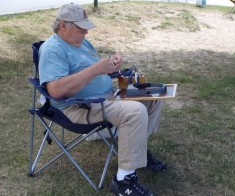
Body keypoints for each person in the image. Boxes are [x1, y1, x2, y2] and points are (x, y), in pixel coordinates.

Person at [38, 3, 166, 196]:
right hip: (79, 107)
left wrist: (110, 66)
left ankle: (136, 150)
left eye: (86, 28)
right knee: (135, 111)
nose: (86, 33)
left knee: (153, 97)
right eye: (81, 28)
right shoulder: (53, 50)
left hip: (104, 98)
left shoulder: (82, 43)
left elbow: (92, 70)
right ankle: (124, 181)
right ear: (63, 25)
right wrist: (97, 69)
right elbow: (56, 91)